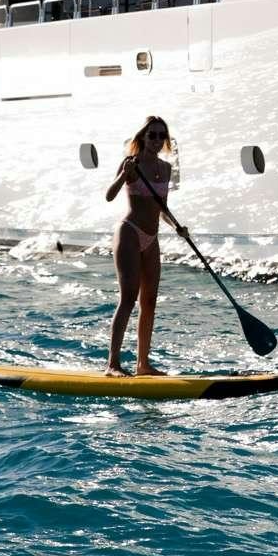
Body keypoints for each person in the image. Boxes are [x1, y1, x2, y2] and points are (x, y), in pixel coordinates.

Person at [104, 114, 178, 375]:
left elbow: (163, 209)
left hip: (152, 238)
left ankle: (143, 364)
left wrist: (177, 226)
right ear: (143, 138)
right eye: (152, 135)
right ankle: (112, 364)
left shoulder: (167, 169)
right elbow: (109, 196)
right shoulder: (131, 163)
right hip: (130, 233)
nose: (157, 140)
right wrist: (124, 175)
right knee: (128, 298)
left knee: (150, 300)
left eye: (161, 135)